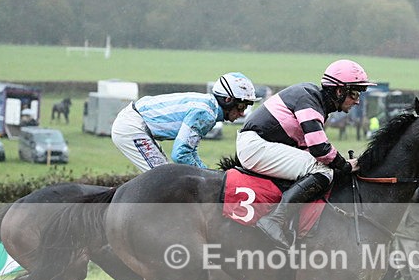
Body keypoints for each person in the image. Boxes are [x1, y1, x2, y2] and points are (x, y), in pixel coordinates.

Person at [237, 59, 375, 249]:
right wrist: (344, 165)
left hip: (260, 145)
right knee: (324, 171)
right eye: (354, 93)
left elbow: (312, 149)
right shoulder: (309, 99)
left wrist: (339, 162)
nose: (357, 101)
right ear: (338, 91)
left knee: (324, 167)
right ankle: (274, 220)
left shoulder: (315, 101)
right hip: (256, 146)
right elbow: (319, 149)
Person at [111, 72, 258, 172]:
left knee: (166, 174)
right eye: (241, 106)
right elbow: (180, 154)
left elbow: (189, 150)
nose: (242, 113)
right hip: (132, 127)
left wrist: (207, 172)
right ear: (227, 100)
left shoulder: (209, 108)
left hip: (133, 123)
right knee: (164, 178)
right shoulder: (206, 113)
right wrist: (207, 175)